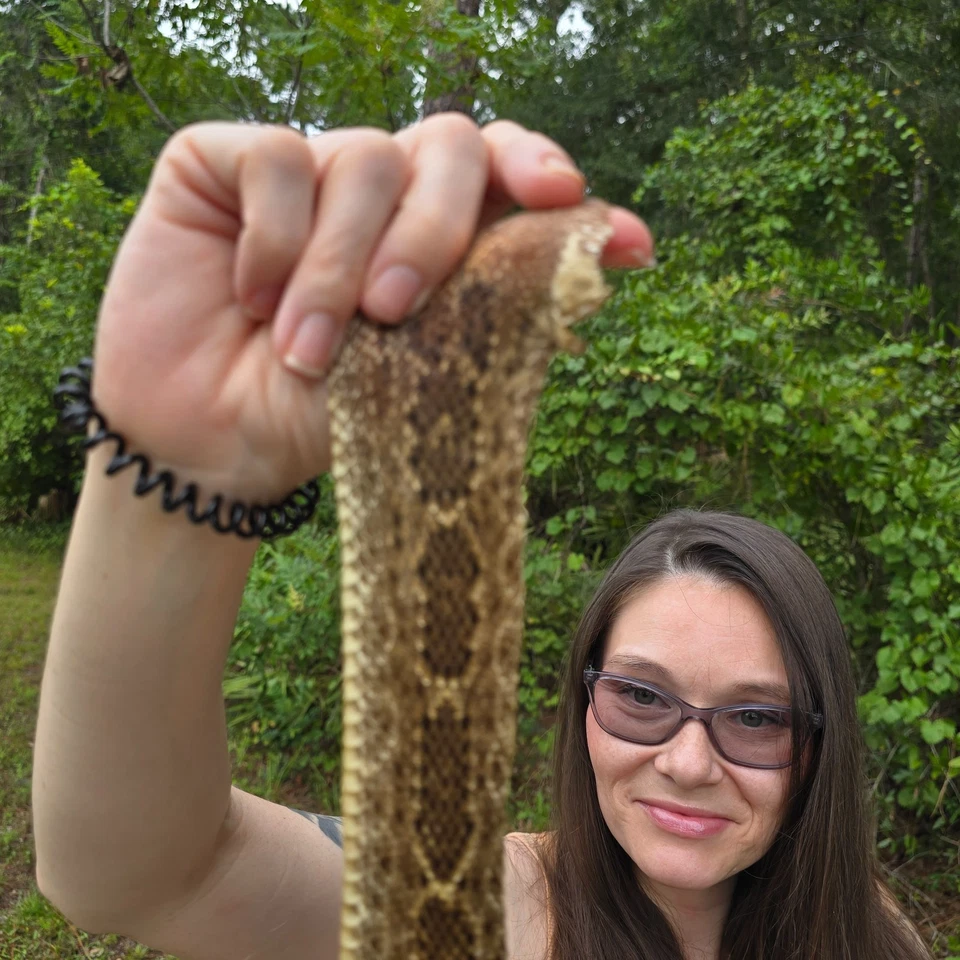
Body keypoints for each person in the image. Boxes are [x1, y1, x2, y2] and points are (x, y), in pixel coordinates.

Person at [29, 115, 930, 960]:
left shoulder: (871, 934)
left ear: (817, 740)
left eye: (756, 718)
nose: (689, 762)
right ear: (585, 704)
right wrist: (173, 470)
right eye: (641, 698)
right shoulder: (490, 908)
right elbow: (149, 876)